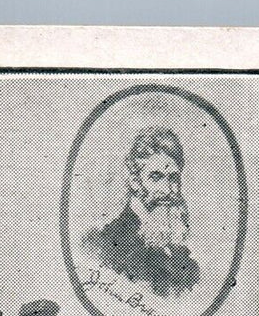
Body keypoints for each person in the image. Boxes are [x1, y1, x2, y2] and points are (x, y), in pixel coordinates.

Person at [83, 126, 200, 298]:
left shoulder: (184, 260)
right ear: (134, 181)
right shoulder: (107, 244)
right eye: (156, 177)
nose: (168, 190)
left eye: (173, 178)